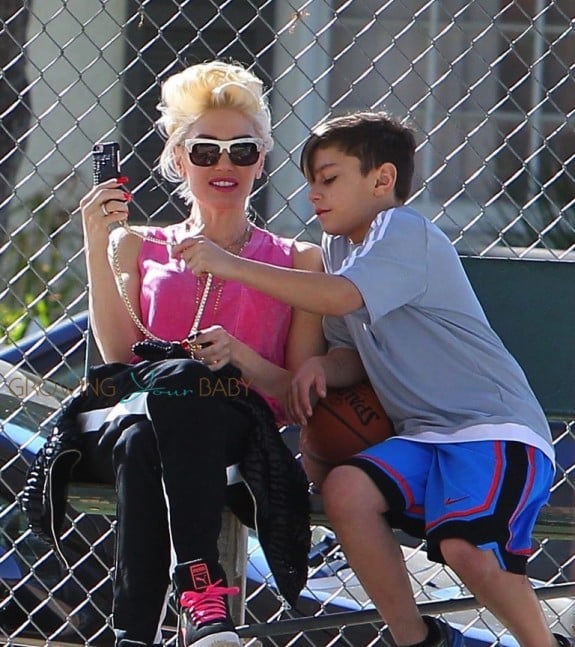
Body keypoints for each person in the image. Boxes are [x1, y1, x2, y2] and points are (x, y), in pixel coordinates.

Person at [179, 111, 574, 647]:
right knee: (346, 490)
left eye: (329, 178)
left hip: (491, 431)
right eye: (310, 182)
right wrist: (321, 365)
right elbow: (350, 352)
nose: (314, 194)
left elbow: (342, 296)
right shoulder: (341, 247)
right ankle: (417, 640)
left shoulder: (403, 230)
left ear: (382, 180)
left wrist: (234, 265)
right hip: (420, 436)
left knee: (464, 547)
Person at [74, 60, 325, 647]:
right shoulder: (136, 243)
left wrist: (237, 355)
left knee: (151, 433)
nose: (225, 165)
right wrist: (95, 240)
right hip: (142, 412)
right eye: (205, 150)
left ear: (262, 159)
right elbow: (118, 355)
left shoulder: (297, 260)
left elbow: (292, 389)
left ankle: (133, 631)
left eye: (242, 150)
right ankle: (200, 588)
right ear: (178, 157)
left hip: (238, 427)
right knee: (156, 410)